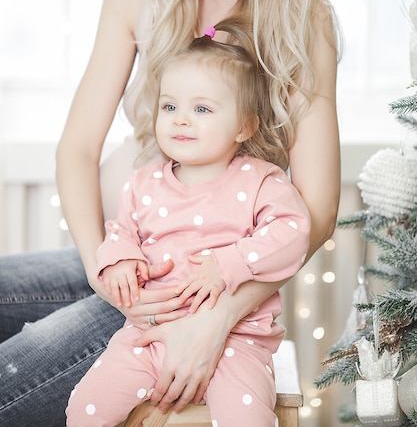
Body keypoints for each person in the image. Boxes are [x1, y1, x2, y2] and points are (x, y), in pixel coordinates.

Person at [0, 0, 340, 427]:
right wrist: (102, 266)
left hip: (196, 285)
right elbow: (76, 151)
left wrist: (217, 316)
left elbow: (315, 212)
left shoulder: (302, 18)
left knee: (13, 378)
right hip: (126, 257)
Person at [65, 24, 311, 427]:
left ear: (244, 126)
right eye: (169, 107)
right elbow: (121, 233)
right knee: (85, 408)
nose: (180, 120)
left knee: (246, 418)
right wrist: (122, 261)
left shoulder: (260, 180)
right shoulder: (144, 183)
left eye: (201, 109)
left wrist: (230, 263)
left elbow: (293, 233)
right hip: (149, 336)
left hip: (237, 339)